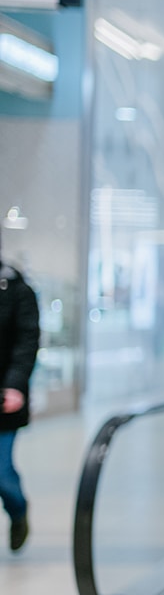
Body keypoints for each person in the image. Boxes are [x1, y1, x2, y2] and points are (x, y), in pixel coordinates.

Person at [0, 232, 39, 554]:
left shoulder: (17, 291)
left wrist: (15, 385)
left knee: (1, 473)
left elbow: (27, 343)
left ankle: (18, 510)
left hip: (3, 399)